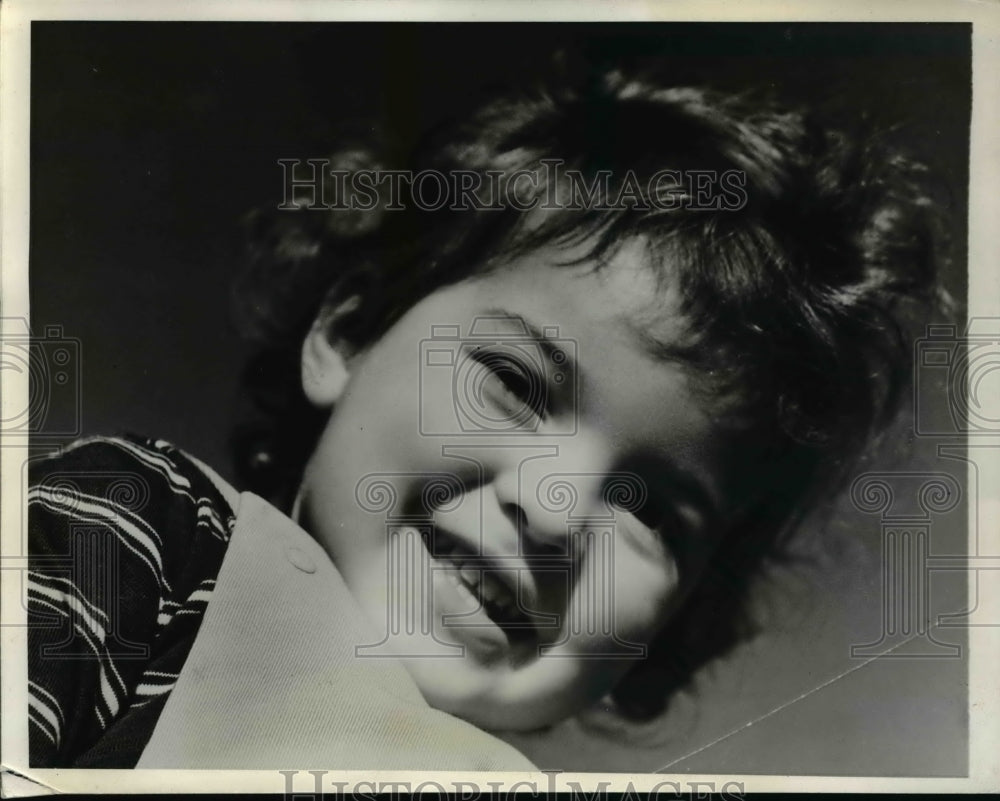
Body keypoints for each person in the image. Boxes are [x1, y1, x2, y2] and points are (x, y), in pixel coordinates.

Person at [26, 64, 945, 768]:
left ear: (678, 625)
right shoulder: (144, 538)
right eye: (515, 380)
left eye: (654, 511)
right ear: (349, 332)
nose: (554, 509)